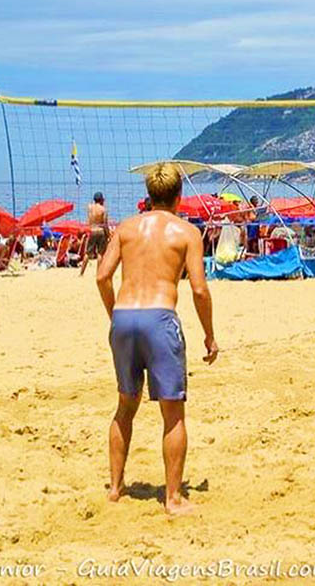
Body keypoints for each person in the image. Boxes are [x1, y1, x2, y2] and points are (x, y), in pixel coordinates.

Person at [96, 163, 218, 516]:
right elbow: (199, 290)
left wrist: (114, 314)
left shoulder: (126, 228)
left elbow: (103, 277)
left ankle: (116, 489)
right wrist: (210, 335)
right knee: (173, 413)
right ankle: (173, 499)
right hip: (160, 318)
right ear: (179, 197)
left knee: (125, 406)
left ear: (148, 197)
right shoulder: (187, 232)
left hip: (124, 318)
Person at [80, 192, 111, 276]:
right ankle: (98, 273)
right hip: (100, 231)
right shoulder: (103, 209)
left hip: (92, 230)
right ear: (101, 200)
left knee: (87, 253)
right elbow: (105, 224)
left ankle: (81, 273)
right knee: (100, 253)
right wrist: (108, 235)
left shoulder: (89, 207)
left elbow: (89, 220)